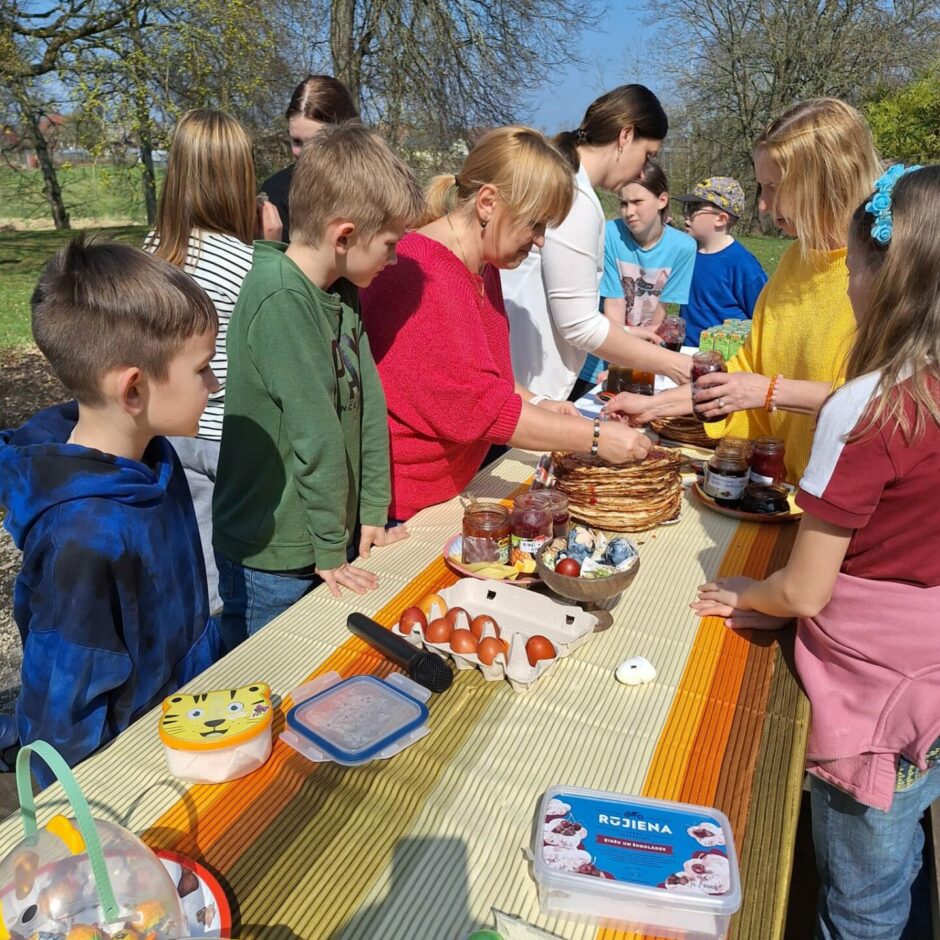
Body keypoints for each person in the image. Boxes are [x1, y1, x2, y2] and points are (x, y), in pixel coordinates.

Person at [692, 164, 940, 940]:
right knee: (904, 855)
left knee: (860, 899)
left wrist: (746, 593)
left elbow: (803, 592)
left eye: (858, 265)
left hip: (871, 696)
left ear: (881, 275)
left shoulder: (870, 407)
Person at [0, 237, 223, 787]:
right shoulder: (81, 537)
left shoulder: (155, 455)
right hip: (120, 774)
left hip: (181, 725)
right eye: (202, 370)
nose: (215, 386)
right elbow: (63, 713)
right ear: (133, 389)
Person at [359, 126, 653, 522]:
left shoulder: (481, 263)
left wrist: (540, 404)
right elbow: (482, 407)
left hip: (452, 487)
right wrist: (595, 438)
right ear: (487, 203)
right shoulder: (423, 274)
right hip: (404, 504)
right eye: (535, 225)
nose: (540, 241)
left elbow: (484, 377)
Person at [212, 122, 424, 646]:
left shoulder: (340, 289)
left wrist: (372, 511)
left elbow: (367, 401)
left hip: (321, 537)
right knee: (269, 682)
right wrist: (333, 546)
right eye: (391, 244)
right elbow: (316, 435)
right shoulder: (280, 299)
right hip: (274, 553)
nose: (394, 259)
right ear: (344, 235)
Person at [604, 98, 882, 482]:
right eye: (761, 187)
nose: (764, 206)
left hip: (842, 504)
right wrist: (655, 406)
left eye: (774, 187)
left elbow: (886, 404)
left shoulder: (885, 277)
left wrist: (771, 392)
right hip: (778, 486)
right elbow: (743, 373)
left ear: (825, 181)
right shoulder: (794, 261)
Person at [146, 109, 279, 616]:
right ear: (241, 178)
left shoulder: (151, 255)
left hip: (170, 430)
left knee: (197, 567)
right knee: (243, 568)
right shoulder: (248, 261)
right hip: (231, 432)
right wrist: (270, 245)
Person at [500, 85, 691, 401]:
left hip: (520, 380)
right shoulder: (577, 199)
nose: (643, 172)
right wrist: (674, 364)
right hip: (526, 383)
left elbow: (565, 301)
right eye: (648, 156)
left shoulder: (568, 182)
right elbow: (578, 326)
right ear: (625, 135)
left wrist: (626, 333)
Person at [575, 161, 697, 399]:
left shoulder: (684, 247)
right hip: (599, 359)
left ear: (662, 200)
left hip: (642, 360)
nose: (628, 211)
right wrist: (617, 369)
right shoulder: (609, 234)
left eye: (637, 202)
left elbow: (658, 317)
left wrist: (638, 366)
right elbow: (614, 304)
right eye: (623, 203)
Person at [259, 75, 358, 240]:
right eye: (296, 141)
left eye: (316, 143)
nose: (304, 153)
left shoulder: (376, 186)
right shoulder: (278, 192)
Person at [673, 176, 767, 346]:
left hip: (725, 362)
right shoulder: (688, 254)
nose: (686, 215)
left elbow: (763, 317)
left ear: (721, 219)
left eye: (694, 208)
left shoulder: (743, 265)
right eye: (687, 207)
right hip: (686, 355)